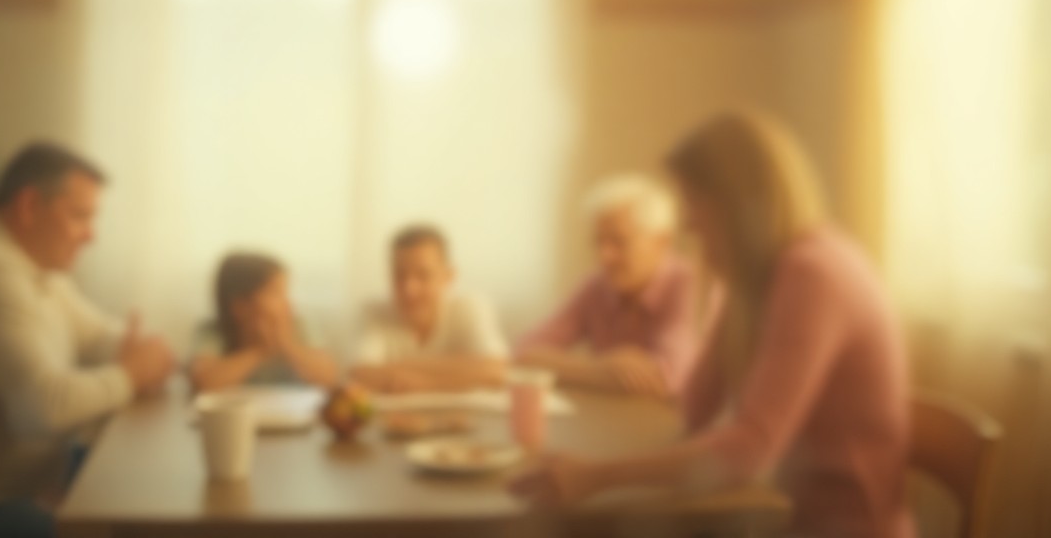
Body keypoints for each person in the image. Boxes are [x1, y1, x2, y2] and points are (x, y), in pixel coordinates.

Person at [508, 111, 915, 538]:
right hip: (790, 517)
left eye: (693, 201)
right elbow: (695, 408)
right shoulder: (767, 274)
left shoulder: (813, 271)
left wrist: (598, 477)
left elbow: (751, 448)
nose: (686, 224)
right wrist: (732, 287)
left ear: (738, 205)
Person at [0, 142, 177, 538]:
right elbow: (43, 408)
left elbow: (98, 336)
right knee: (142, 516)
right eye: (79, 216)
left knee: (149, 491)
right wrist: (131, 374)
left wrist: (160, 357)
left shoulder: (31, 266)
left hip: (26, 485)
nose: (90, 235)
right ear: (28, 207)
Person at [515, 174, 715, 397]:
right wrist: (599, 368)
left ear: (661, 242)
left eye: (619, 242)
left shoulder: (692, 285)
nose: (604, 256)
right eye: (599, 242)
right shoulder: (597, 285)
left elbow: (670, 379)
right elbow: (523, 355)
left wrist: (570, 369)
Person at [351, 224, 509, 393]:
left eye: (423, 275)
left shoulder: (470, 308)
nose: (409, 289)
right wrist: (464, 371)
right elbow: (359, 374)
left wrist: (413, 379)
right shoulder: (372, 312)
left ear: (448, 276)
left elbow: (496, 370)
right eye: (400, 275)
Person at [188, 252, 338, 391]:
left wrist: (285, 344)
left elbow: (328, 378)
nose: (287, 303)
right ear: (241, 306)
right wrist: (259, 351)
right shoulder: (212, 330)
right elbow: (203, 383)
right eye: (276, 293)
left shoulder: (299, 325)